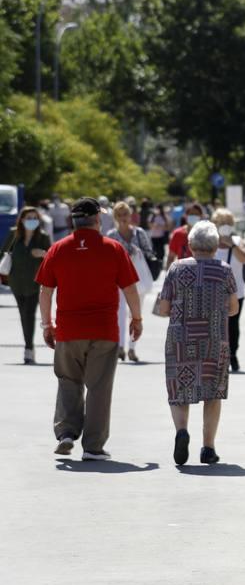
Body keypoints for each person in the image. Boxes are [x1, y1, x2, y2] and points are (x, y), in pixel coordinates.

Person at [36, 197, 142, 461]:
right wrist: (136, 319)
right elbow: (130, 288)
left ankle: (67, 433)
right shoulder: (113, 248)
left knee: (68, 381)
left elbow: (45, 291)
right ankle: (93, 446)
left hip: (69, 329)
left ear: (73, 221)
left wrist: (47, 325)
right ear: (97, 219)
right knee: (99, 387)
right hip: (104, 331)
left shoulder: (57, 250)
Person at [156, 221, 239, 465]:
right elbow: (234, 307)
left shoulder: (176, 268)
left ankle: (182, 430)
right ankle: (208, 448)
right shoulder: (224, 270)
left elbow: (163, 308)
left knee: (180, 388)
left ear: (190, 244)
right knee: (213, 392)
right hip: (214, 339)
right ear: (216, 246)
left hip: (181, 338)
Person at [106, 201, 156, 363]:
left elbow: (149, 252)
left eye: (125, 214)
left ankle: (132, 349)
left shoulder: (139, 233)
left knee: (136, 314)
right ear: (115, 217)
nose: (123, 218)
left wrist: (138, 252)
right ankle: (120, 346)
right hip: (118, 279)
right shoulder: (111, 235)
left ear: (130, 215)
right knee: (119, 312)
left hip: (137, 278)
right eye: (119, 215)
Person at [2, 205, 51, 363]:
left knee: (29, 314)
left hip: (35, 283)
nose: (32, 221)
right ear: (22, 219)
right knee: (23, 314)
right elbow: (3, 252)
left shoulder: (42, 237)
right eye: (29, 218)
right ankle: (28, 346)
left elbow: (52, 258)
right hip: (16, 282)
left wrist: (43, 254)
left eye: (35, 218)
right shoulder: (13, 234)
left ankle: (28, 348)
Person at [211, 207, 245, 372]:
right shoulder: (211, 242)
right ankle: (218, 356)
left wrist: (231, 245)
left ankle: (232, 355)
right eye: (221, 223)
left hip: (236, 293)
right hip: (214, 292)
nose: (225, 226)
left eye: (228, 223)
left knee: (233, 326)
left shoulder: (237, 241)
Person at [166, 202, 204, 266]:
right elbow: (171, 257)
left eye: (196, 214)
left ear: (201, 216)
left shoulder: (205, 234)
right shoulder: (177, 234)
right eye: (191, 214)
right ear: (185, 216)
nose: (194, 216)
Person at [147, 204, 170, 268]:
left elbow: (167, 227)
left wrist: (161, 226)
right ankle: (156, 263)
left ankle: (161, 263)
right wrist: (154, 225)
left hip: (161, 236)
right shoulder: (152, 216)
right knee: (154, 250)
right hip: (153, 236)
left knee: (161, 251)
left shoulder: (164, 217)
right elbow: (149, 225)